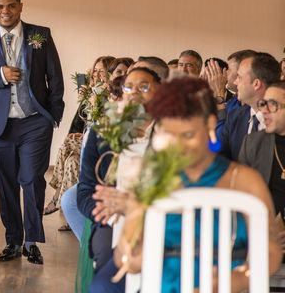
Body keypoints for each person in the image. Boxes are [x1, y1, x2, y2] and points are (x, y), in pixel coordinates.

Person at [112, 77, 282, 292]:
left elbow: (271, 252)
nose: (179, 146)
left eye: (188, 135)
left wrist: (236, 279)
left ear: (210, 124)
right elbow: (129, 262)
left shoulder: (245, 181)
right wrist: (135, 218)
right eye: (169, 134)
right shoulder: (152, 180)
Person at [0, 0, 65, 265]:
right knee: (6, 184)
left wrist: (52, 115)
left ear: (21, 6)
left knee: (32, 180)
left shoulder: (40, 35)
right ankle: (13, 240)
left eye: (10, 6)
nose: (5, 12)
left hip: (35, 122)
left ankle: (32, 241)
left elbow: (54, 77)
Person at [78, 67, 160, 291]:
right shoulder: (102, 132)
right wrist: (107, 211)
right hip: (112, 219)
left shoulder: (170, 133)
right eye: (128, 87)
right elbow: (85, 190)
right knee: (106, 252)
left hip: (160, 217)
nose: (135, 93)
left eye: (144, 87)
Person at [44, 55, 114, 221]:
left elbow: (101, 124)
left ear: (110, 73)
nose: (97, 75)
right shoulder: (92, 92)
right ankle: (69, 213)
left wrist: (96, 98)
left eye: (101, 71)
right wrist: (86, 96)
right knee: (71, 161)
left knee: (67, 142)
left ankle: (55, 198)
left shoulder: (112, 95)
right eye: (94, 71)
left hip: (100, 143)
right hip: (86, 139)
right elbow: (81, 121)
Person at [221, 52, 281, 160]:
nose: (235, 82)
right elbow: (218, 152)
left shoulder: (280, 123)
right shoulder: (235, 116)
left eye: (239, 77)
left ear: (256, 84)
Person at [239, 81, 285, 216]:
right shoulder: (253, 142)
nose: (264, 111)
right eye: (263, 104)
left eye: (273, 105)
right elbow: (243, 194)